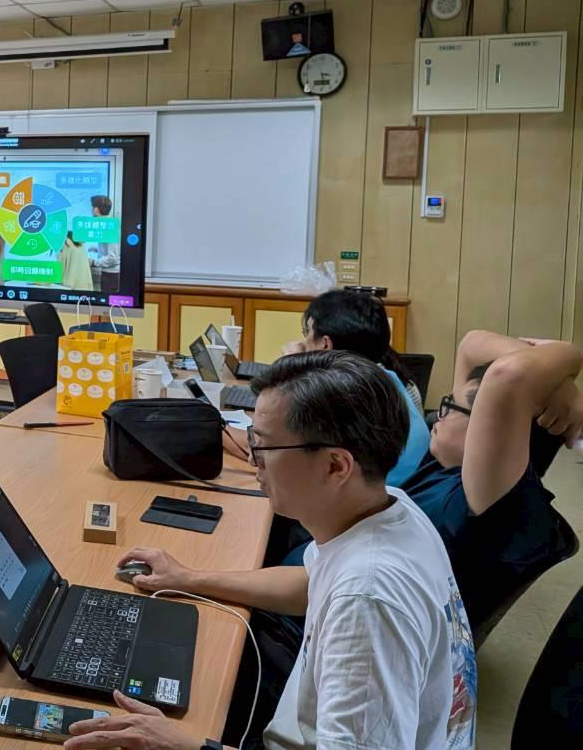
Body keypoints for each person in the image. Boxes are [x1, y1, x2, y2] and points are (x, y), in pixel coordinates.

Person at [66, 351, 476, 750]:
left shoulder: (366, 599)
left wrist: (183, 746)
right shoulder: (393, 507)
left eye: (263, 446)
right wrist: (187, 578)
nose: (252, 458)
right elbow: (310, 583)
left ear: (336, 466)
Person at [399, 329, 581, 634]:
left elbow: (509, 375)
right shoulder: (448, 460)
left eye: (451, 407)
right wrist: (565, 386)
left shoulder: (483, 500)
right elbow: (471, 345)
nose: (438, 416)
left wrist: (573, 355)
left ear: (491, 428)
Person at [280, 289, 429, 487]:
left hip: (367, 497)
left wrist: (291, 368)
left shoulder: (340, 395)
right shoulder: (387, 377)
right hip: (398, 494)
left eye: (307, 332)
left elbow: (276, 445)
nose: (303, 341)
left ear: (325, 344)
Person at [89, 195, 120, 292]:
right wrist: (98, 250)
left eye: (92, 207)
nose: (91, 210)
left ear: (96, 210)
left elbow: (112, 257)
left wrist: (94, 262)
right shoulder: (107, 225)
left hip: (111, 275)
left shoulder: (110, 228)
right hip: (110, 274)